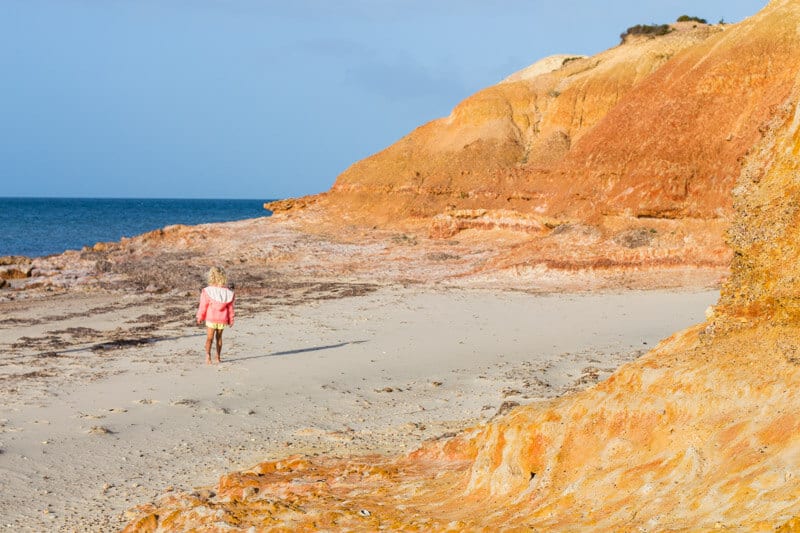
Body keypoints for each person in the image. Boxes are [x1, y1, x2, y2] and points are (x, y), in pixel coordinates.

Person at [196, 266, 235, 364]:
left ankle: (208, 356)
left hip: (211, 318)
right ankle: (218, 357)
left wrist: (200, 316)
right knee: (219, 338)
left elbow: (203, 306)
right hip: (223, 319)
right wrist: (231, 319)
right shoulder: (228, 293)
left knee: (209, 338)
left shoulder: (207, 291)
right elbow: (230, 308)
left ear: (211, 276)